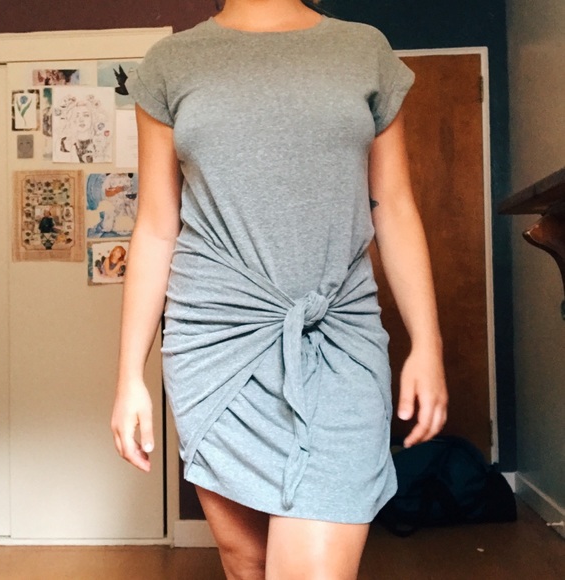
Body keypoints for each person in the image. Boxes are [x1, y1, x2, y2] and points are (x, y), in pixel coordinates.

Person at [110, 1, 448, 578]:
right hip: (214, 343)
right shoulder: (170, 62)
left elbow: (393, 206)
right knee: (247, 563)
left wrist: (427, 344)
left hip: (338, 337)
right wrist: (128, 377)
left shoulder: (363, 49)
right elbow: (156, 228)